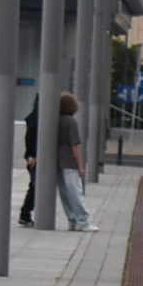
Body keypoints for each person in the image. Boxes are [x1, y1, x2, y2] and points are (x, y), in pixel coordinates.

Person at [53, 92, 94, 231]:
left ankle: (72, 219)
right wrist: (80, 164)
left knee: (65, 193)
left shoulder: (56, 120)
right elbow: (74, 145)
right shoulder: (71, 122)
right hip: (69, 161)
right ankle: (83, 221)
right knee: (76, 192)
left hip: (58, 161)